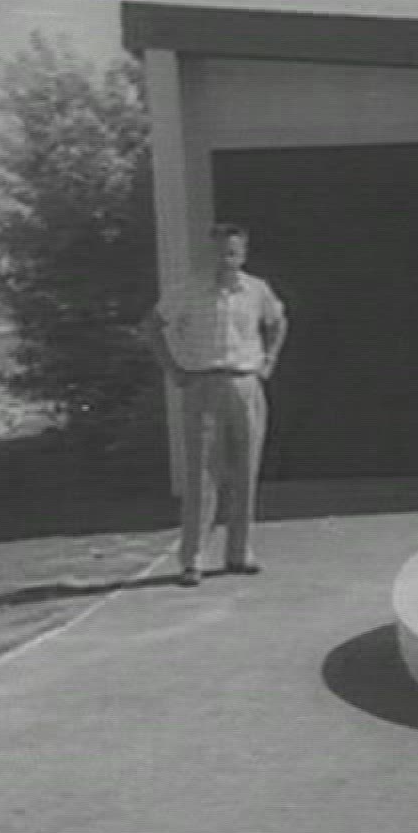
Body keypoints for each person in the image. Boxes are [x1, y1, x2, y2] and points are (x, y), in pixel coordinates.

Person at [141, 223, 289, 587]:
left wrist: (269, 360)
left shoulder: (257, 290)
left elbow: (278, 321)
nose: (226, 259)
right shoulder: (188, 291)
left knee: (245, 470)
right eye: (220, 252)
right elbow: (153, 326)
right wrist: (174, 370)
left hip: (245, 383)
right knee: (202, 475)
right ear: (210, 253)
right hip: (203, 384)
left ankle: (239, 552)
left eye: (233, 252)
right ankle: (192, 559)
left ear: (243, 254)